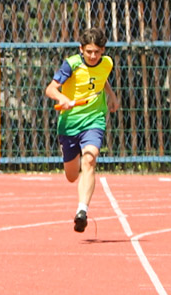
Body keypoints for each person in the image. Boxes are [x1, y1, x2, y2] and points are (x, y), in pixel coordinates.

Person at [44, 27, 119, 232]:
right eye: (89, 52)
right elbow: (50, 88)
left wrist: (112, 96)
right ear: (81, 49)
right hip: (69, 124)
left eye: (97, 51)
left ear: (103, 50)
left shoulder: (107, 63)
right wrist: (62, 98)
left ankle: (82, 211)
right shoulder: (71, 64)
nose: (93, 56)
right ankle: (69, 153)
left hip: (94, 120)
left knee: (90, 159)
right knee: (71, 176)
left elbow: (101, 80)